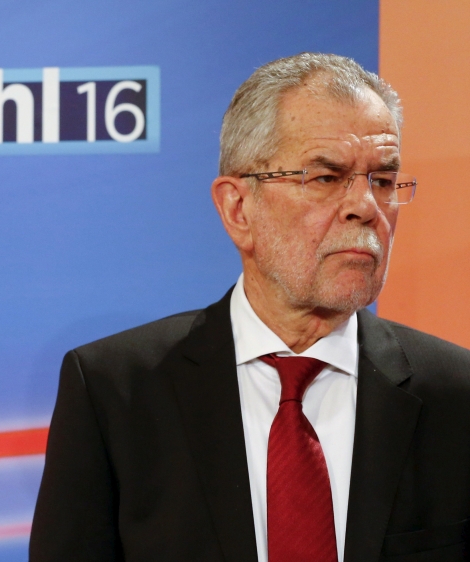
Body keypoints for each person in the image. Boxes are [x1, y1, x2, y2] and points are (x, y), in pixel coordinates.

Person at [31, 52, 470, 562]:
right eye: (326, 178)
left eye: (383, 180)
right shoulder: (115, 390)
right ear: (238, 208)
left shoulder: (457, 396)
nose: (366, 206)